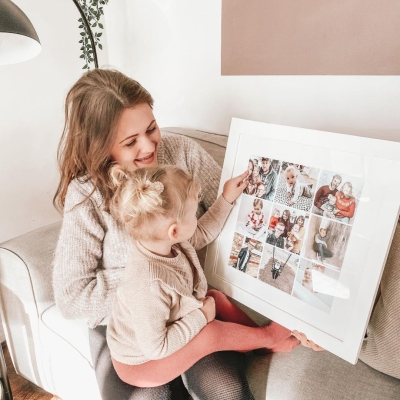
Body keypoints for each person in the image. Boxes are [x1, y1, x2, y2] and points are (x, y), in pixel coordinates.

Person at [52, 68, 279, 400]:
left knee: (225, 388)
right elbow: (72, 297)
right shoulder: (86, 195)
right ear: (102, 148)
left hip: (191, 307)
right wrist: (152, 279)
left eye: (151, 128)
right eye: (130, 142)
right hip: (128, 326)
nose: (149, 146)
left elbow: (229, 225)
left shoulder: (182, 152)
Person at [106, 165, 299, 388]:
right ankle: (270, 336)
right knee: (210, 333)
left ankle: (263, 343)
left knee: (216, 298)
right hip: (142, 363)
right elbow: (157, 347)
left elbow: (204, 231)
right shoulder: (147, 285)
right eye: (193, 214)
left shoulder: (164, 240)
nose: (196, 218)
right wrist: (201, 317)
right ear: (174, 230)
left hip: (163, 332)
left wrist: (226, 198)